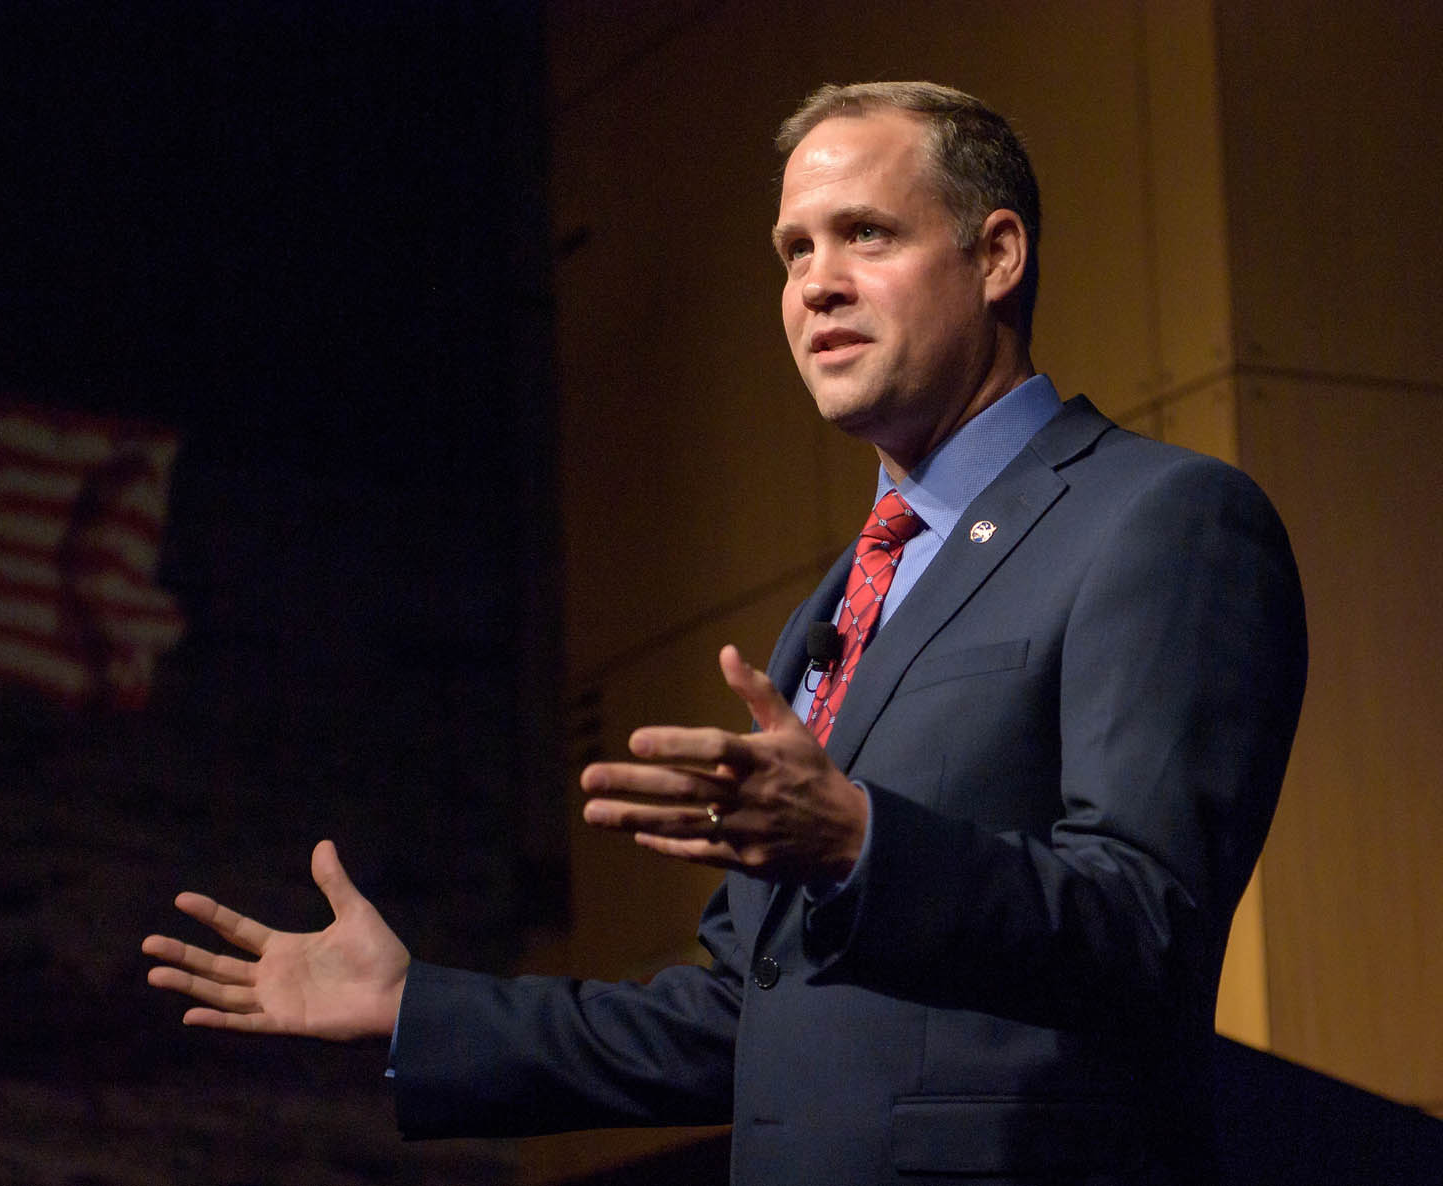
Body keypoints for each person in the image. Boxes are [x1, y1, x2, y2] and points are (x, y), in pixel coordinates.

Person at [142, 81, 1307, 1184]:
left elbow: (1144, 925)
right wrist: (419, 1009)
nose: (815, 284)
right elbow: (751, 1009)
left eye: (864, 235)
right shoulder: (844, 593)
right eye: (793, 250)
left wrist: (860, 845)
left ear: (995, 255)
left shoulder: (1157, 519)